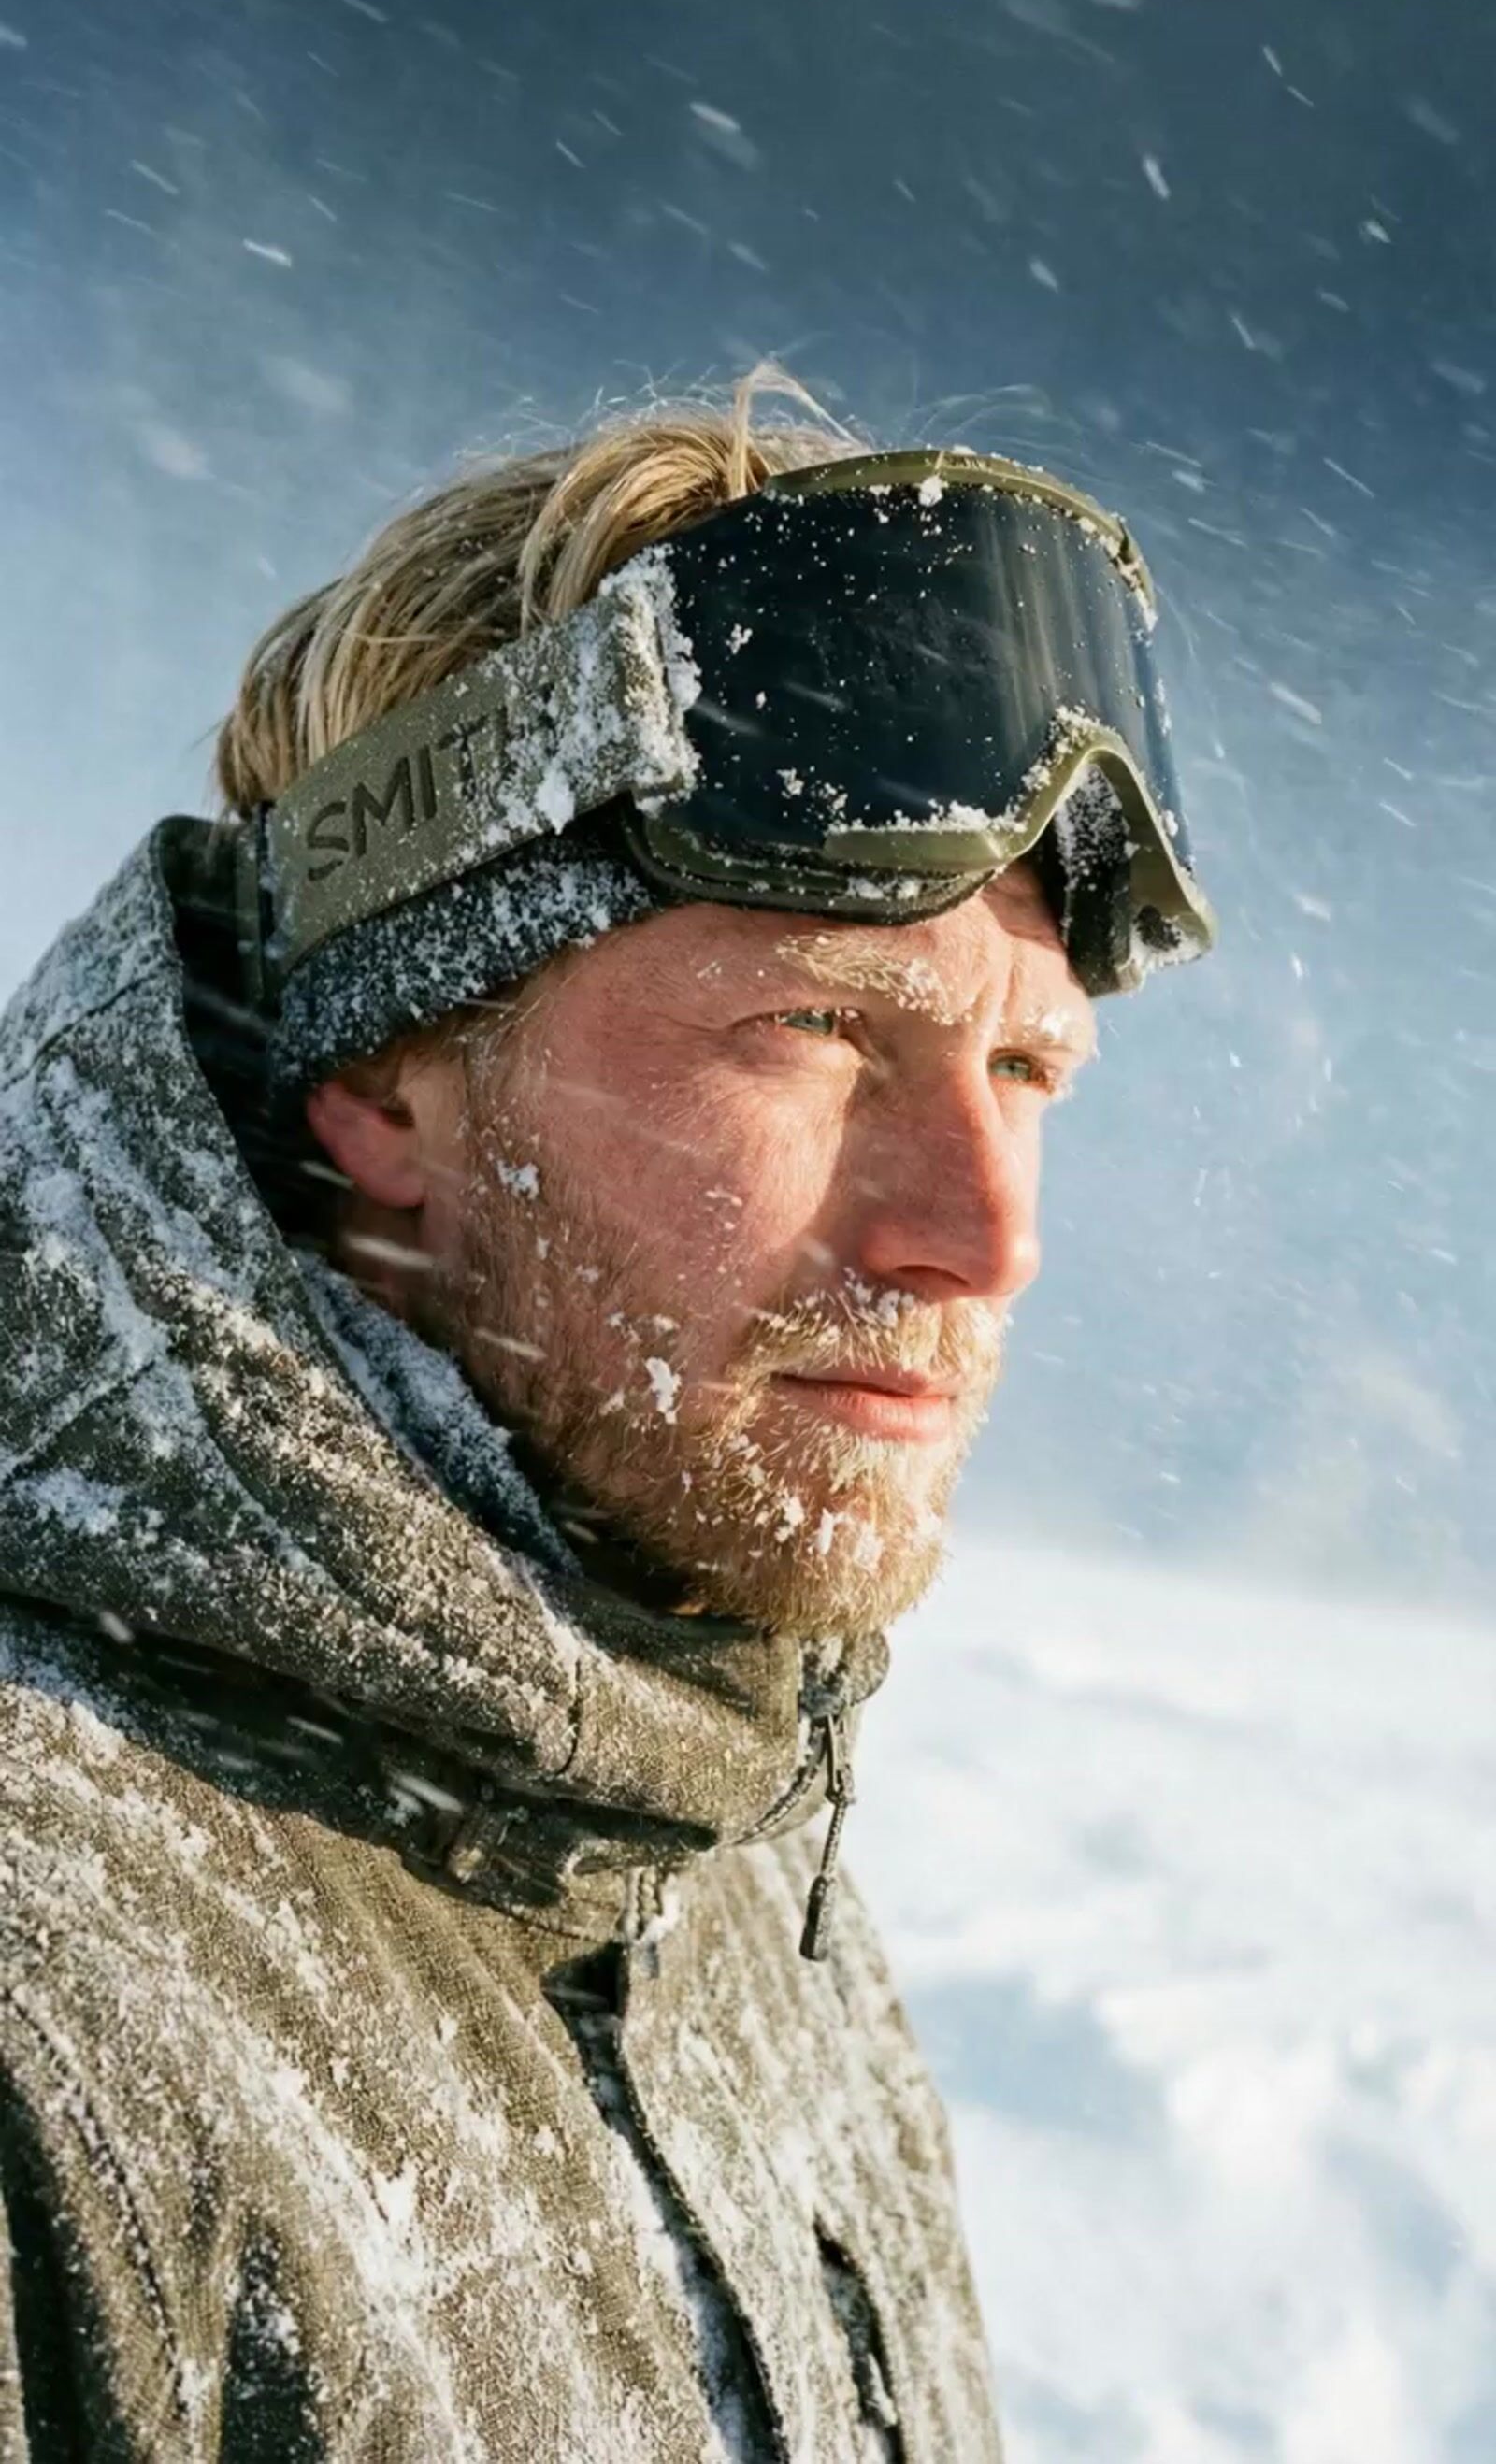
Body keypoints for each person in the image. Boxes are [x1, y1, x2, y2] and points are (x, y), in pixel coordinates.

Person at [0, 371, 1214, 2461]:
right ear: (387, 1074)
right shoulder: (52, 2011)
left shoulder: (713, 1833)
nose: (981, 1239)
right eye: (822, 1028)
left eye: (1025, 1075)